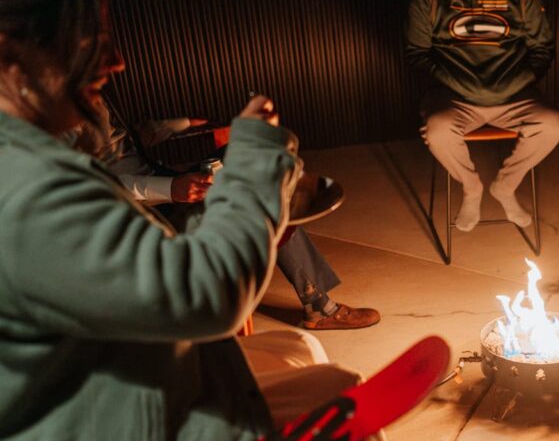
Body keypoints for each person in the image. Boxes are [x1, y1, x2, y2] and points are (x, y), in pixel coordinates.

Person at [0, 0, 446, 441]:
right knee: (330, 392)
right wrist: (255, 156)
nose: (118, 61)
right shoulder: (24, 187)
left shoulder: (30, 160)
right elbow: (205, 295)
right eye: (90, 43)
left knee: (312, 366)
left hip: (90, 421)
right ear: (12, 51)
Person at [91, 99, 380, 330]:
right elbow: (90, 185)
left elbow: (124, 140)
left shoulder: (89, 88)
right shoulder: (56, 113)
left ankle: (313, 298)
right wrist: (169, 188)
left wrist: (188, 124)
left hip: (157, 181)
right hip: (132, 211)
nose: (117, 61)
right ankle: (319, 307)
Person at [405, 0, 559, 232]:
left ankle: (505, 186)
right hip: (456, 99)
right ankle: (471, 188)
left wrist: (514, 83)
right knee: (437, 131)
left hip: (513, 96)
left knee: (552, 124)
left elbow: (543, 49)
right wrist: (459, 83)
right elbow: (417, 53)